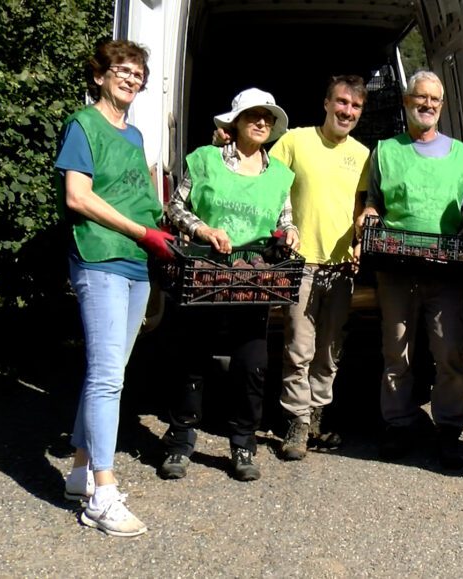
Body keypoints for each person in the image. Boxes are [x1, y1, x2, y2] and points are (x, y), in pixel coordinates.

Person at [55, 39, 173, 537]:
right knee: (108, 375)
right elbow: (77, 197)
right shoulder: (84, 125)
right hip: (99, 256)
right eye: (122, 70)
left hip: (135, 263)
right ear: (101, 75)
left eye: (138, 73)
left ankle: (80, 470)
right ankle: (103, 494)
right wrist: (140, 231)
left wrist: (167, 234)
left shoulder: (135, 135)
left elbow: (145, 202)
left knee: (111, 368)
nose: (131, 78)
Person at [158, 88, 296, 482]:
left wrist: (291, 233)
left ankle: (243, 444)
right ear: (235, 121)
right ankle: (180, 441)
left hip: (252, 283)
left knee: (252, 366)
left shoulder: (279, 176)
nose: (261, 122)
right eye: (253, 114)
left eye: (268, 117)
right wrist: (202, 229)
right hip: (204, 275)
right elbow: (176, 207)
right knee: (191, 360)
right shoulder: (204, 161)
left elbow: (284, 222)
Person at [356, 70, 463, 469]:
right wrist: (367, 218)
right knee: (396, 350)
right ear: (406, 102)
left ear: (441, 107)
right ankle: (399, 423)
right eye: (419, 98)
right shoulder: (386, 151)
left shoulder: (462, 155)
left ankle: (449, 428)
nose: (427, 105)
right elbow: (374, 202)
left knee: (449, 351)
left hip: (445, 269)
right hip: (395, 266)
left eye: (434, 100)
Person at [269, 75, 371, 461]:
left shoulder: (362, 154)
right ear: (326, 103)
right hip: (301, 262)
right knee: (298, 346)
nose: (347, 111)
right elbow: (269, 185)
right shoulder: (295, 141)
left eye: (355, 106)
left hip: (342, 265)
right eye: (341, 103)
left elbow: (361, 206)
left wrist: (361, 243)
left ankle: (317, 417)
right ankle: (296, 421)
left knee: (330, 349)